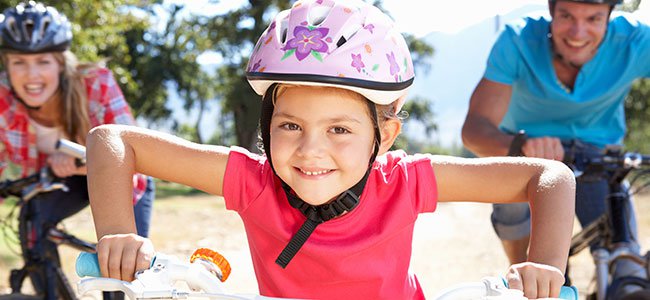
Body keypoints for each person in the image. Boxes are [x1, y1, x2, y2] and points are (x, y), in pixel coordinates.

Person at [86, 0, 575, 299]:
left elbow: (549, 177)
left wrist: (547, 265)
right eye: (290, 125)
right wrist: (118, 234)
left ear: (383, 137)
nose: (310, 150)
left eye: (340, 130)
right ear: (267, 125)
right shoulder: (253, 181)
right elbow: (111, 140)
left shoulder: (404, 181)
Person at [461, 0, 649, 286]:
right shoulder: (518, 40)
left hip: (598, 153)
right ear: (550, 10)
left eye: (594, 19)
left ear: (611, 16)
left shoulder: (635, 40)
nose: (578, 31)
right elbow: (474, 130)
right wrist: (521, 147)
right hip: (524, 152)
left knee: (627, 265)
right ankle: (524, 272)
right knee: (513, 214)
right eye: (566, 15)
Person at [0, 1, 155, 290]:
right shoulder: (2, 97)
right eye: (19, 62)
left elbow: (136, 151)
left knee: (124, 260)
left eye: (43, 62)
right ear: (7, 66)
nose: (31, 75)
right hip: (62, 182)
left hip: (123, 175)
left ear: (60, 64)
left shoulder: (97, 83)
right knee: (32, 222)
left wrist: (77, 163)